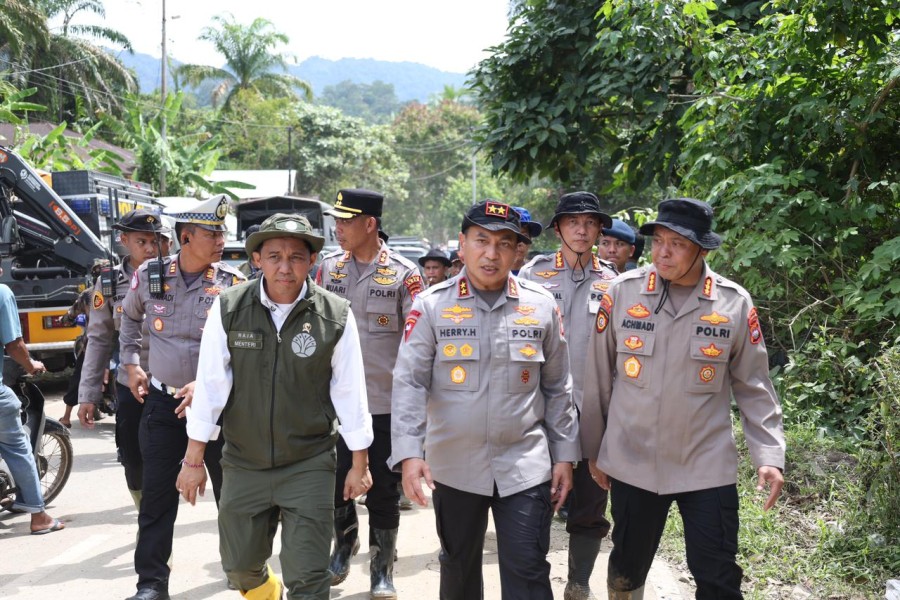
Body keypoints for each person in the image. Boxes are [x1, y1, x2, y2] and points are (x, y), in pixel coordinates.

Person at [582, 198, 786, 599]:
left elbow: (754, 385)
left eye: (677, 244)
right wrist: (594, 450)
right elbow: (599, 377)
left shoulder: (732, 303)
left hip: (705, 464)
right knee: (626, 570)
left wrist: (769, 455)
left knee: (718, 575)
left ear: (702, 250)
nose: (663, 252)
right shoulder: (622, 293)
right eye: (659, 241)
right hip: (633, 460)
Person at [176, 213, 374, 599]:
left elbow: (351, 392)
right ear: (257, 260)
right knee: (239, 567)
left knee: (309, 577)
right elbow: (212, 386)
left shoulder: (335, 315)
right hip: (244, 460)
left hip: (309, 462)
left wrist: (359, 463)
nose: (285, 267)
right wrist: (193, 459)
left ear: (312, 261)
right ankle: (267, 590)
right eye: (274, 256)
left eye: (296, 257)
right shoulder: (229, 308)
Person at [391, 200, 580, 600]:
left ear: (517, 250)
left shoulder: (541, 305)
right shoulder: (432, 306)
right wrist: (409, 453)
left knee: (529, 568)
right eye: (481, 241)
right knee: (458, 568)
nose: (491, 254)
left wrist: (565, 454)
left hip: (525, 462)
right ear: (462, 245)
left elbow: (558, 386)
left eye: (504, 244)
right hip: (454, 465)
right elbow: (410, 382)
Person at [119, 195, 246, 600]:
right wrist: (131, 364)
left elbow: (247, 347)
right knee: (156, 498)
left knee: (232, 495)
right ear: (186, 236)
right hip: (163, 404)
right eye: (213, 233)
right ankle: (151, 584)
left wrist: (206, 385)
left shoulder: (233, 284)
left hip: (219, 409)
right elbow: (130, 319)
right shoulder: (150, 275)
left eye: (222, 232)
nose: (221, 240)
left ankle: (241, 567)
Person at [315, 188, 423, 597]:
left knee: (382, 490)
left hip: (384, 404)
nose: (338, 229)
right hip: (334, 403)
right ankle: (344, 545)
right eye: (337, 221)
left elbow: (418, 343)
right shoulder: (328, 270)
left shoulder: (404, 275)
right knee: (334, 481)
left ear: (370, 224)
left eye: (345, 221)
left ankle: (382, 568)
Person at [518, 191, 617, 600]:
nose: (582, 230)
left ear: (599, 230)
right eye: (573, 222)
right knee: (536, 500)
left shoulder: (613, 281)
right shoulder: (533, 275)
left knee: (591, 503)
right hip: (542, 409)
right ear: (557, 229)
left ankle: (578, 583)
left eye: (590, 222)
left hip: (595, 410)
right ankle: (533, 583)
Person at [76, 209, 169, 515]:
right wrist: (88, 394)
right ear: (124, 240)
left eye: (156, 241)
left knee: (173, 456)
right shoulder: (108, 283)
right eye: (142, 241)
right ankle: (146, 515)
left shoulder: (178, 276)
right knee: (132, 456)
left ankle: (158, 521)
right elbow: (98, 339)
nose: (150, 249)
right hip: (131, 385)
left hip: (174, 383)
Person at [0, 272, 65, 535]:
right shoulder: (2, 293)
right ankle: (39, 517)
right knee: (18, 448)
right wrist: (31, 365)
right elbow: (14, 345)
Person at [511, 206, 543, 274]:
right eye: (513, 236)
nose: (519, 243)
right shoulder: (490, 274)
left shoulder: (539, 274)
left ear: (530, 240)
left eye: (524, 236)